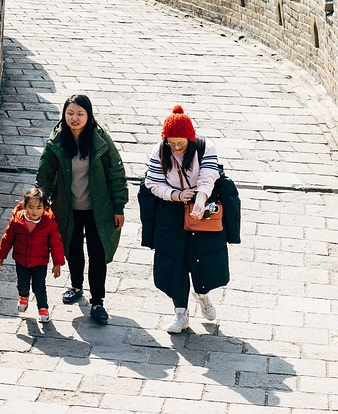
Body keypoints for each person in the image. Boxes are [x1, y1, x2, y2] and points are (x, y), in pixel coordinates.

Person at [35, 93, 128, 325]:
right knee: (72, 248)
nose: (74, 118)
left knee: (97, 252)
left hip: (99, 209)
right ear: (64, 114)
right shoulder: (57, 141)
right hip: (68, 208)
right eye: (70, 113)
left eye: (80, 114)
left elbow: (117, 174)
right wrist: (39, 203)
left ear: (89, 115)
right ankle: (76, 286)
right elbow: (44, 175)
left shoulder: (100, 140)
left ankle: (97, 302)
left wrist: (119, 206)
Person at [141, 104, 230, 333]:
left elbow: (209, 177)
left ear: (190, 138)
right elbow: (152, 183)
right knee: (174, 262)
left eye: (181, 143)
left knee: (204, 258)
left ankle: (202, 295)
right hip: (170, 210)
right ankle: (180, 313)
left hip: (203, 205)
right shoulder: (159, 151)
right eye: (171, 143)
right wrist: (176, 195)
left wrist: (199, 201)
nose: (176, 148)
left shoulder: (205, 147)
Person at [0, 186, 66, 322]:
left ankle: (43, 308)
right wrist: (2, 254)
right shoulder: (17, 220)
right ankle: (23, 296)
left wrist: (57, 263)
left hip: (40, 262)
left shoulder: (49, 223)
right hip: (21, 260)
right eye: (31, 207)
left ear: (45, 208)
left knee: (39, 286)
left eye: (39, 208)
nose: (34, 211)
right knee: (22, 284)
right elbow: (8, 237)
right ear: (24, 206)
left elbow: (56, 244)